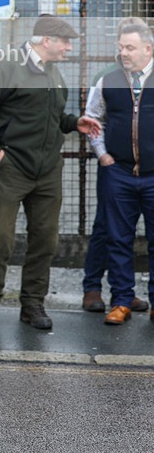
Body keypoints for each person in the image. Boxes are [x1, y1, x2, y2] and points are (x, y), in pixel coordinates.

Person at [0, 15, 101, 331]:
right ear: (47, 40)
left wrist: (75, 123)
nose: (69, 48)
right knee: (0, 239)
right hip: (11, 169)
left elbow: (53, 118)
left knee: (45, 241)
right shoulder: (8, 68)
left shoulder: (54, 74)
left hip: (48, 172)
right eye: (65, 42)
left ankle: (32, 305)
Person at [85, 22, 154, 325]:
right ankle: (122, 300)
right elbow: (91, 118)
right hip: (119, 173)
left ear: (148, 49)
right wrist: (104, 155)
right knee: (118, 239)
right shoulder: (108, 80)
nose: (123, 53)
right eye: (121, 47)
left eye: (130, 47)